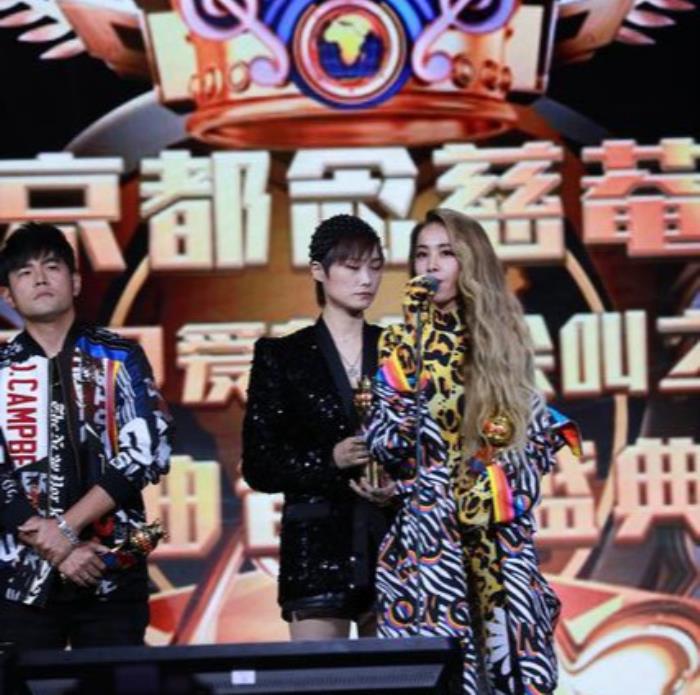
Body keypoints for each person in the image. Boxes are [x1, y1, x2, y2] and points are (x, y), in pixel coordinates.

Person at [366, 209, 580, 694]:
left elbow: (526, 442)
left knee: (514, 673)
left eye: (446, 253)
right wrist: (412, 367)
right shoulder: (401, 345)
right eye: (422, 254)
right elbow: (384, 440)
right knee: (443, 675)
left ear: (470, 261)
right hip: (429, 542)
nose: (431, 266)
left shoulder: (503, 344)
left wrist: (497, 471)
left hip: (499, 539)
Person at [0, 222, 173, 649]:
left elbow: (149, 449)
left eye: (51, 266)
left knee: (114, 679)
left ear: (75, 282)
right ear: (8, 295)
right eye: (25, 272)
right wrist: (55, 545)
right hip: (19, 577)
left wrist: (64, 528)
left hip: (109, 569)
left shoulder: (119, 355)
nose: (40, 279)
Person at [242, 214, 394, 640]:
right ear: (318, 271)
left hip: (392, 543)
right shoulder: (282, 356)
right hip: (316, 548)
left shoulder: (399, 352)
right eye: (352, 266)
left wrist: (398, 484)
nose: (366, 279)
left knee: (399, 673)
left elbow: (427, 446)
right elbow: (259, 466)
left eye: (375, 266)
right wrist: (329, 459)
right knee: (318, 673)